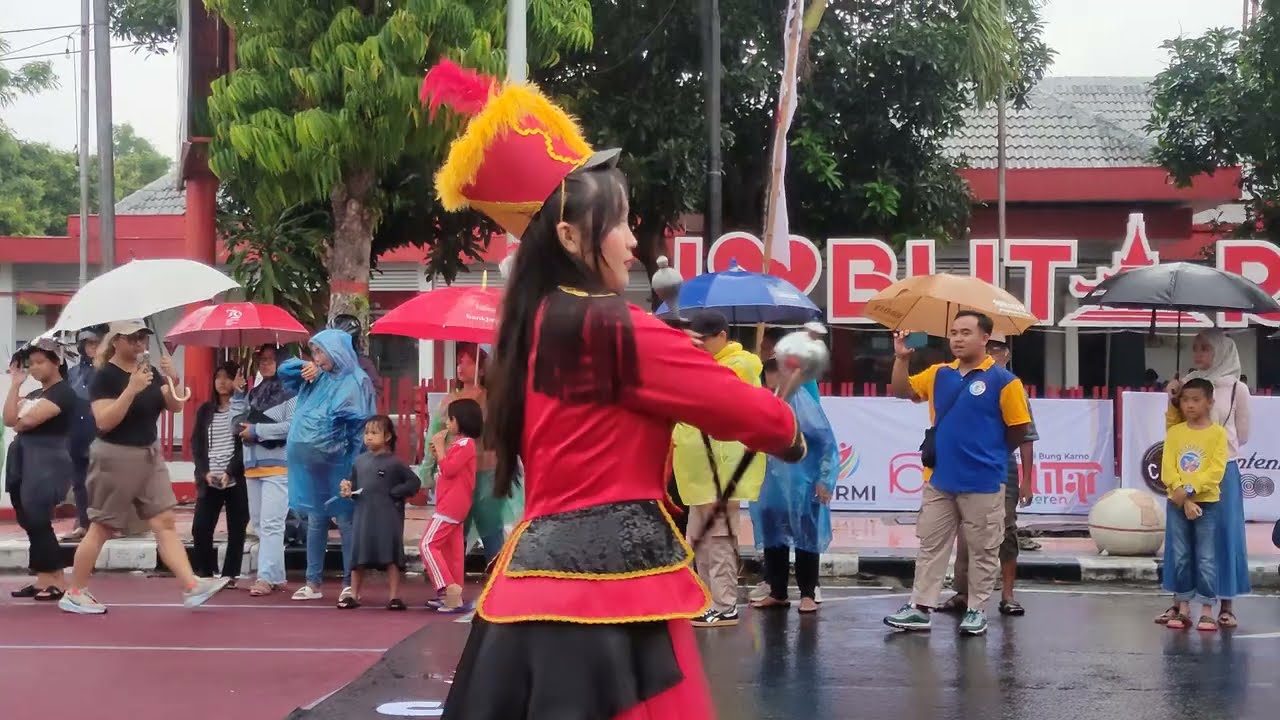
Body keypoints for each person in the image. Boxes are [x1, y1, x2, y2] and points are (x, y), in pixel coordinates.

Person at [419, 58, 804, 719]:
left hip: (532, 577)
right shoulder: (617, 327)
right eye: (622, 223)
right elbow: (746, 411)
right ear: (569, 235)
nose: (633, 242)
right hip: (615, 589)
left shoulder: (532, 324)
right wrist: (789, 430)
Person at [59, 320, 229, 614]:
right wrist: (131, 390)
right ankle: (76, 590)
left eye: (144, 337)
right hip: (115, 455)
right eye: (134, 338)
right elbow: (104, 421)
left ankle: (190, 585)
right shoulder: (105, 376)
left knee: (164, 521)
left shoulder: (149, 370)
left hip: (149, 453)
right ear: (117, 341)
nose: (141, 343)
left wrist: (173, 381)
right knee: (102, 526)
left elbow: (174, 406)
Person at [883, 311, 1031, 636]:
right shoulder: (938, 374)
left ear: (985, 339)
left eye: (966, 332)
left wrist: (993, 454)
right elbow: (901, 391)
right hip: (939, 479)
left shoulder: (1005, 382)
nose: (958, 339)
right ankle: (921, 607)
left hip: (983, 481)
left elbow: (1019, 428)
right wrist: (901, 358)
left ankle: (976, 609)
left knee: (983, 549)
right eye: (953, 333)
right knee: (931, 545)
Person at [672, 309, 767, 628]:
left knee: (720, 539)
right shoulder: (707, 363)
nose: (697, 346)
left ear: (722, 336)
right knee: (698, 538)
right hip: (698, 471)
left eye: (703, 340)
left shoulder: (740, 365)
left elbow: (710, 394)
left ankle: (725, 603)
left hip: (722, 470)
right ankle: (706, 599)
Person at [1155, 329, 1252, 628]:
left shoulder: (1237, 389)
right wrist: (1173, 399)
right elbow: (1174, 427)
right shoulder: (1187, 384)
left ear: (1221, 351)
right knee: (1182, 538)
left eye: (1205, 349)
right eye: (1195, 348)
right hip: (1186, 472)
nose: (1198, 354)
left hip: (1223, 470)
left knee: (1220, 536)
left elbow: (1243, 435)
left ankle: (1225, 605)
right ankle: (1179, 604)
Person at [938, 332, 1038, 617]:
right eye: (989, 348)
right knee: (966, 529)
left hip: (1000, 467)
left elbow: (1026, 437)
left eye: (998, 350)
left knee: (1004, 529)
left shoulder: (1011, 387)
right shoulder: (960, 380)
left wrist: (1027, 480)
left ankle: (1007, 594)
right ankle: (963, 592)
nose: (993, 354)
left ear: (1006, 354)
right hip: (964, 465)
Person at [280, 329, 376, 604]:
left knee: (345, 520)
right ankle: (313, 582)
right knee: (315, 519)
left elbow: (360, 426)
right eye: (315, 352)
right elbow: (284, 372)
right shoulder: (314, 376)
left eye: (321, 351)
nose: (317, 358)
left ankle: (349, 582)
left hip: (341, 462)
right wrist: (303, 367)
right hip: (311, 466)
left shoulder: (356, 380)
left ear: (336, 350)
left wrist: (352, 467)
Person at [419, 345, 522, 565]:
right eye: (459, 361)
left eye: (468, 362)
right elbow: (434, 436)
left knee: (491, 529)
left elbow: (505, 431)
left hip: (487, 473)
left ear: (482, 369)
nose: (461, 366)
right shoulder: (449, 401)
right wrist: (426, 471)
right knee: (455, 530)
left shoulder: (493, 400)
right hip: (456, 476)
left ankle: (496, 580)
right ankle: (452, 584)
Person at [749, 357, 836, 614]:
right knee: (773, 537)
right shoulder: (763, 403)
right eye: (771, 374)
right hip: (769, 484)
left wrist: (824, 479)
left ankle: (808, 593)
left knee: (806, 537)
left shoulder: (803, 405)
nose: (776, 380)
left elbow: (826, 444)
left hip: (802, 482)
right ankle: (777, 591)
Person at [4, 339, 76, 601]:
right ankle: (44, 578)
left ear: (56, 362)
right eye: (31, 363)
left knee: (37, 516)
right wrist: (15, 384)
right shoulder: (36, 395)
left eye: (40, 362)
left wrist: (20, 420)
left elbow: (26, 422)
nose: (34, 368)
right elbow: (10, 419)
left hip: (47, 460)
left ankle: (57, 579)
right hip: (24, 458)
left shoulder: (62, 393)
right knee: (27, 518)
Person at [1159, 378, 1228, 632]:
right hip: (1177, 503)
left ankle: (1208, 608)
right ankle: (1184, 606)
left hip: (1206, 503)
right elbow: (1168, 467)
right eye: (1185, 400)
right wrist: (1181, 495)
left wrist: (1189, 492)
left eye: (1196, 400)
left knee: (1206, 557)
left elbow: (1215, 471)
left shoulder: (1218, 434)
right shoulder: (1175, 432)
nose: (1189, 405)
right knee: (1181, 556)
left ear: (1209, 402)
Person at [340, 415, 421, 610]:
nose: (368, 437)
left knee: (391, 556)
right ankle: (353, 594)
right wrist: (347, 491)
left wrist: (395, 493)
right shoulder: (359, 462)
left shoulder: (395, 463)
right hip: (364, 515)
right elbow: (354, 485)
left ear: (387, 437)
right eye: (366, 433)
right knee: (358, 555)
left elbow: (414, 483)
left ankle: (394, 596)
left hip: (388, 517)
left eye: (374, 433)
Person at [237, 344, 297, 597]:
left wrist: (258, 431)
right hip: (252, 464)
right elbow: (239, 419)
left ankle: (264, 577)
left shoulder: (292, 393)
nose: (265, 363)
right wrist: (239, 397)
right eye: (262, 359)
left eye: (271, 359)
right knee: (262, 524)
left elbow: (292, 426)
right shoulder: (254, 392)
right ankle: (277, 574)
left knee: (273, 523)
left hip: (278, 465)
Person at [420, 398, 482, 612]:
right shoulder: (461, 445)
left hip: (451, 505)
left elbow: (449, 469)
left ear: (461, 421)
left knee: (428, 544)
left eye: (451, 418)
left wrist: (439, 448)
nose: (447, 422)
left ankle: (447, 587)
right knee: (452, 551)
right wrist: (440, 453)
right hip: (453, 504)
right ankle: (453, 597)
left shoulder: (466, 444)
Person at [190, 362, 249, 584]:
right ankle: (205, 571)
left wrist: (231, 471)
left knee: (237, 529)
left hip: (235, 478)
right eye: (218, 377)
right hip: (210, 477)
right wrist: (203, 473)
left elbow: (245, 445)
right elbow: (197, 444)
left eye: (227, 377)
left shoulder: (243, 409)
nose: (222, 382)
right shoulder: (205, 410)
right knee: (201, 527)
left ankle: (229, 574)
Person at [62, 326, 104, 541]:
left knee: (99, 481)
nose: (93, 348)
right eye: (89, 344)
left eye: (97, 344)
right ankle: (83, 521)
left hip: (98, 431)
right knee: (79, 481)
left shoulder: (106, 372)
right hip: (76, 433)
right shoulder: (73, 373)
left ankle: (101, 524)